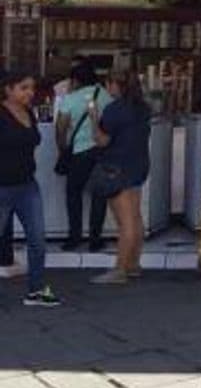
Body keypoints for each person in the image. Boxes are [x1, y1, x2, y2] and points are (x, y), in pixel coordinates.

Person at [0, 70, 60, 307]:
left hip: (27, 185)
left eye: (32, 88)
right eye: (24, 88)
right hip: (1, 187)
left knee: (37, 239)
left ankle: (36, 290)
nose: (30, 93)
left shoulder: (28, 112)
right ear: (9, 90)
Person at [88, 70, 152, 285]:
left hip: (117, 167)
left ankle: (120, 269)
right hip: (138, 164)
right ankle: (133, 263)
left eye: (109, 84)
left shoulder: (114, 110)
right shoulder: (142, 108)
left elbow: (102, 140)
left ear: (115, 85)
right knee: (135, 216)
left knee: (124, 222)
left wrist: (93, 119)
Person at [55, 62, 112, 252]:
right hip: (103, 151)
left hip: (80, 152)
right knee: (99, 195)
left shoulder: (70, 99)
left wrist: (62, 148)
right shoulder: (105, 95)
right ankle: (95, 240)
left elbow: (61, 127)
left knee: (73, 193)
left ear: (75, 80)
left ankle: (74, 237)